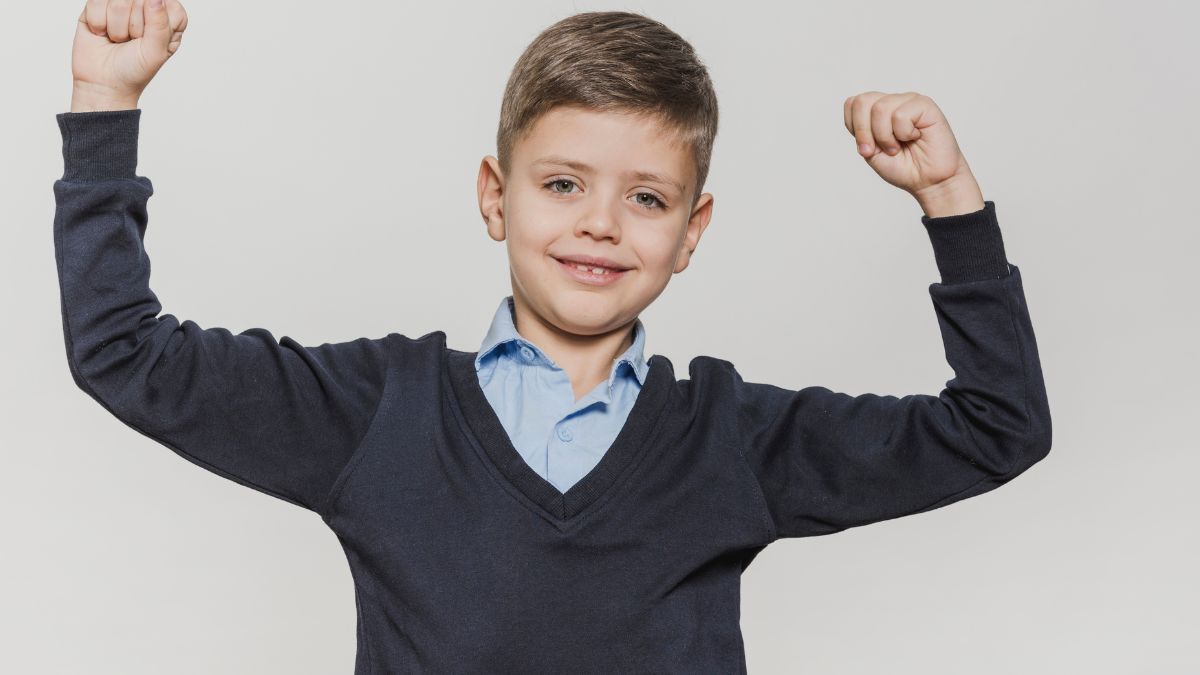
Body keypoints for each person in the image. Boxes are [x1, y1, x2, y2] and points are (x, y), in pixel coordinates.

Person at [54, 1, 1052, 672]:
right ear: (498, 196)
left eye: (648, 197)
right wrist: (106, 101)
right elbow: (125, 355)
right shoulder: (375, 414)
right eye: (563, 183)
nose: (601, 224)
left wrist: (949, 202)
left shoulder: (733, 440)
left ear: (691, 233)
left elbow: (997, 428)